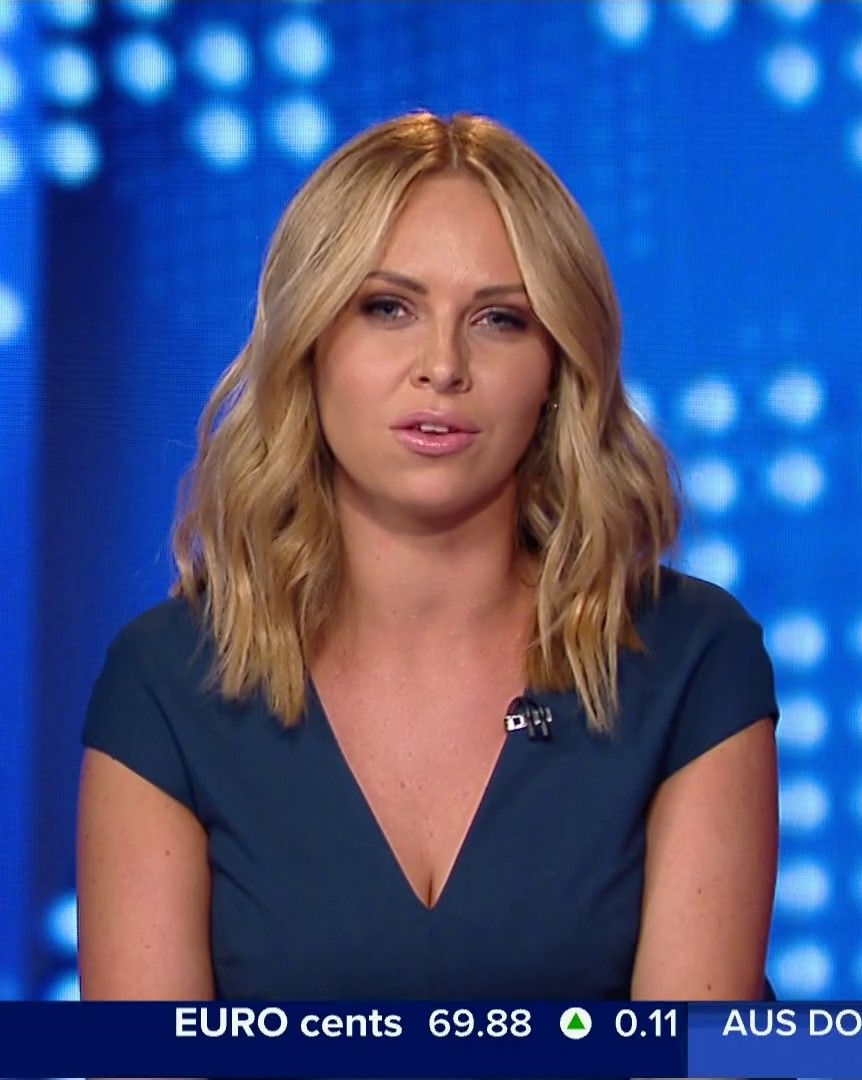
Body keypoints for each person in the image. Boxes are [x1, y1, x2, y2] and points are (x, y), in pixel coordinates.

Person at [77, 110, 780, 1002]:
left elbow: (690, 1055)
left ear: (557, 370)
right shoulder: (168, 684)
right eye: (388, 308)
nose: (442, 366)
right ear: (310, 344)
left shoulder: (689, 660)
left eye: (499, 319)